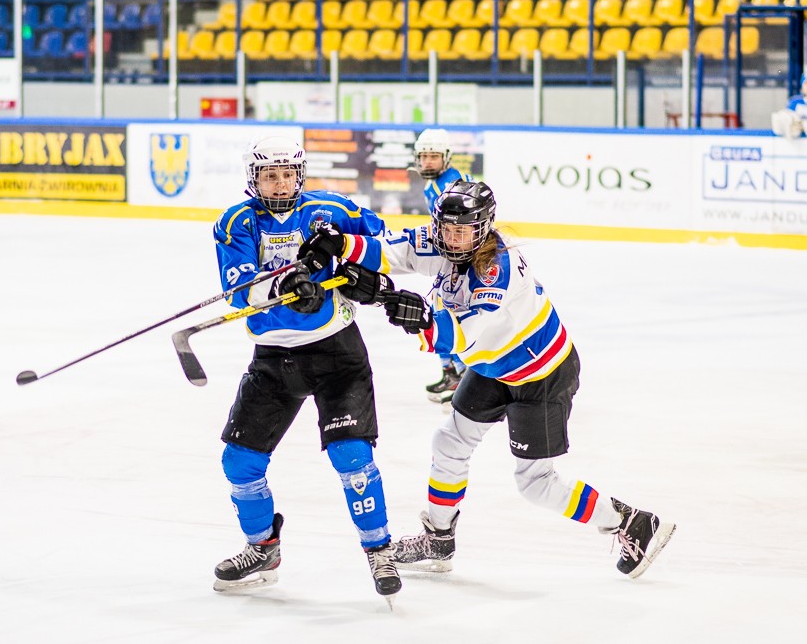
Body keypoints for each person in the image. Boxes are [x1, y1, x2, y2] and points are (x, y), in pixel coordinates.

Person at [304, 179, 676, 579]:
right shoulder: (445, 241)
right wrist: (341, 245)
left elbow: (461, 336)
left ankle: (630, 521)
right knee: (449, 444)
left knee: (536, 483)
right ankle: (438, 539)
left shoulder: (496, 271)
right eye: (446, 227)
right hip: (493, 367)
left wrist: (393, 301)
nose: (452, 237)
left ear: (483, 228)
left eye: (462, 230)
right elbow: (396, 251)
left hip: (541, 374)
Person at [210, 134, 402, 602]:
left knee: (351, 456)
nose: (279, 183)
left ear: (300, 175)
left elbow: (384, 242)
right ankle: (262, 548)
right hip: (274, 357)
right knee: (240, 462)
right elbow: (239, 290)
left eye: (287, 173)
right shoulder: (236, 222)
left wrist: (359, 270)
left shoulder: (330, 208)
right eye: (269, 175)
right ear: (253, 178)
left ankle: (379, 549)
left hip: (337, 354)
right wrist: (284, 287)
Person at [413, 128, 473, 406]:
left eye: (433, 156)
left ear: (446, 157)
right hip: (450, 259)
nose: (427, 161)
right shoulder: (435, 183)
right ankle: (452, 374)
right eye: (424, 156)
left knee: (451, 315)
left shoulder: (448, 186)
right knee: (441, 311)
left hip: (461, 261)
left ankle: (464, 379)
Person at [771, 72, 807, 139]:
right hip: (797, 142)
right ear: (802, 86)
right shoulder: (795, 102)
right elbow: (787, 120)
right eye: (806, 83)